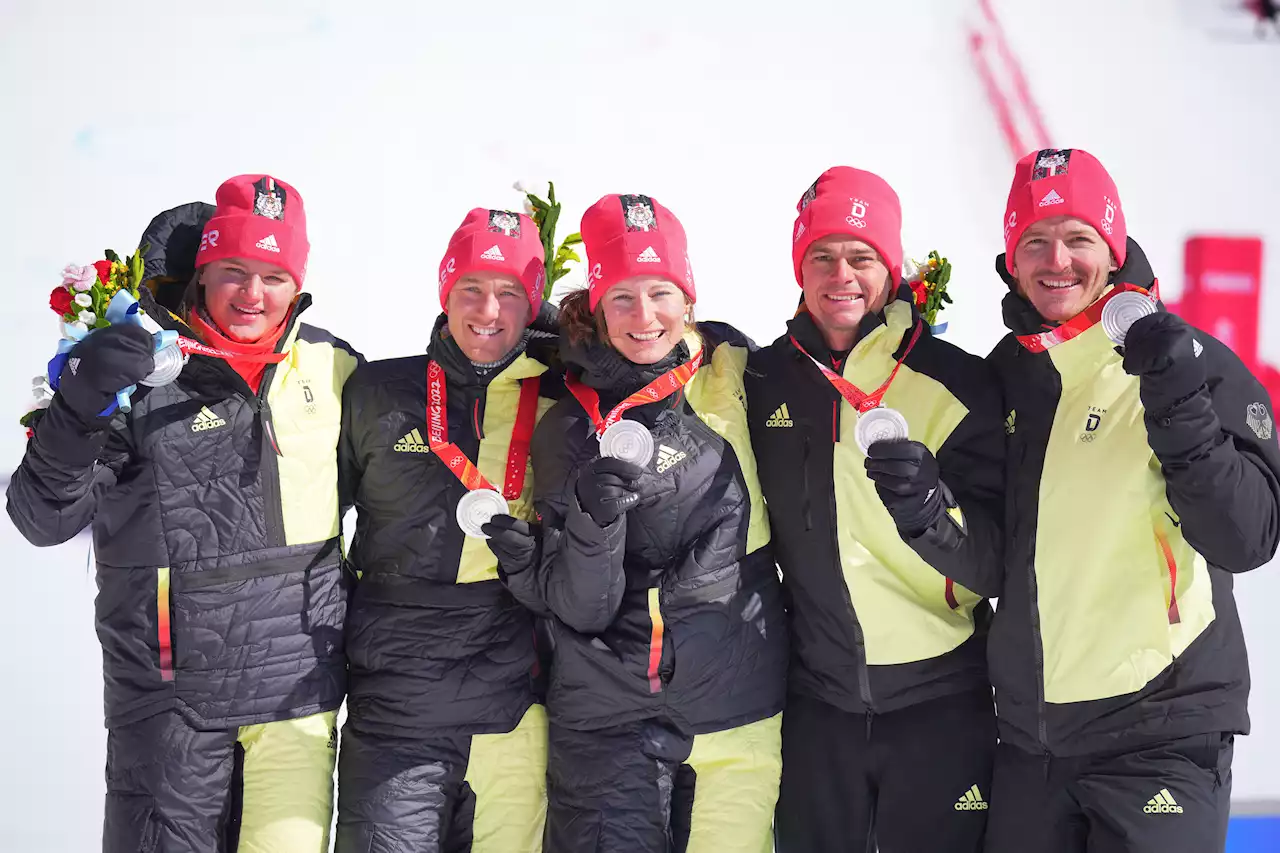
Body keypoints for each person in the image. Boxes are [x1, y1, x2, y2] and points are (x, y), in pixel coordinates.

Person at [7, 175, 362, 852]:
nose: (253, 295)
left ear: (299, 283)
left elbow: (420, 479)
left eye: (273, 275)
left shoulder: (333, 366)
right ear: (200, 275)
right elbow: (41, 518)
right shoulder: (138, 376)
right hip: (168, 707)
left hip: (297, 703)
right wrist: (77, 407)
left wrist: (552, 367)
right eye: (233, 272)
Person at [983, 147, 1280, 853]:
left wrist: (1180, 409)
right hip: (1034, 742)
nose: (1057, 259)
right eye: (1035, 241)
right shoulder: (1004, 376)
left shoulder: (1191, 358)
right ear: (1012, 258)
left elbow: (1247, 535)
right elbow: (992, 552)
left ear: (1114, 251)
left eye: (1079, 238)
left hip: (1161, 733)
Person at [493, 193, 788, 852]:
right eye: (622, 296)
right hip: (611, 722)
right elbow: (579, 603)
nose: (645, 315)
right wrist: (596, 520)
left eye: (661, 291)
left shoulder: (732, 366)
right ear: (595, 306)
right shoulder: (570, 423)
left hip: (738, 710)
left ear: (689, 297)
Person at [744, 166, 1004, 852]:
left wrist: (932, 508)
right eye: (821, 256)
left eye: (861, 256)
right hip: (818, 705)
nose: (842, 275)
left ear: (891, 268)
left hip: (941, 702)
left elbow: (999, 560)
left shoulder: (959, 382)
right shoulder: (761, 378)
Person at [334, 208, 559, 852]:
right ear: (444, 293)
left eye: (511, 292)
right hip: (394, 711)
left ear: (531, 305)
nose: (489, 309)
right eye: (471, 288)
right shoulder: (376, 391)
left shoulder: (561, 401)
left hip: (513, 708)